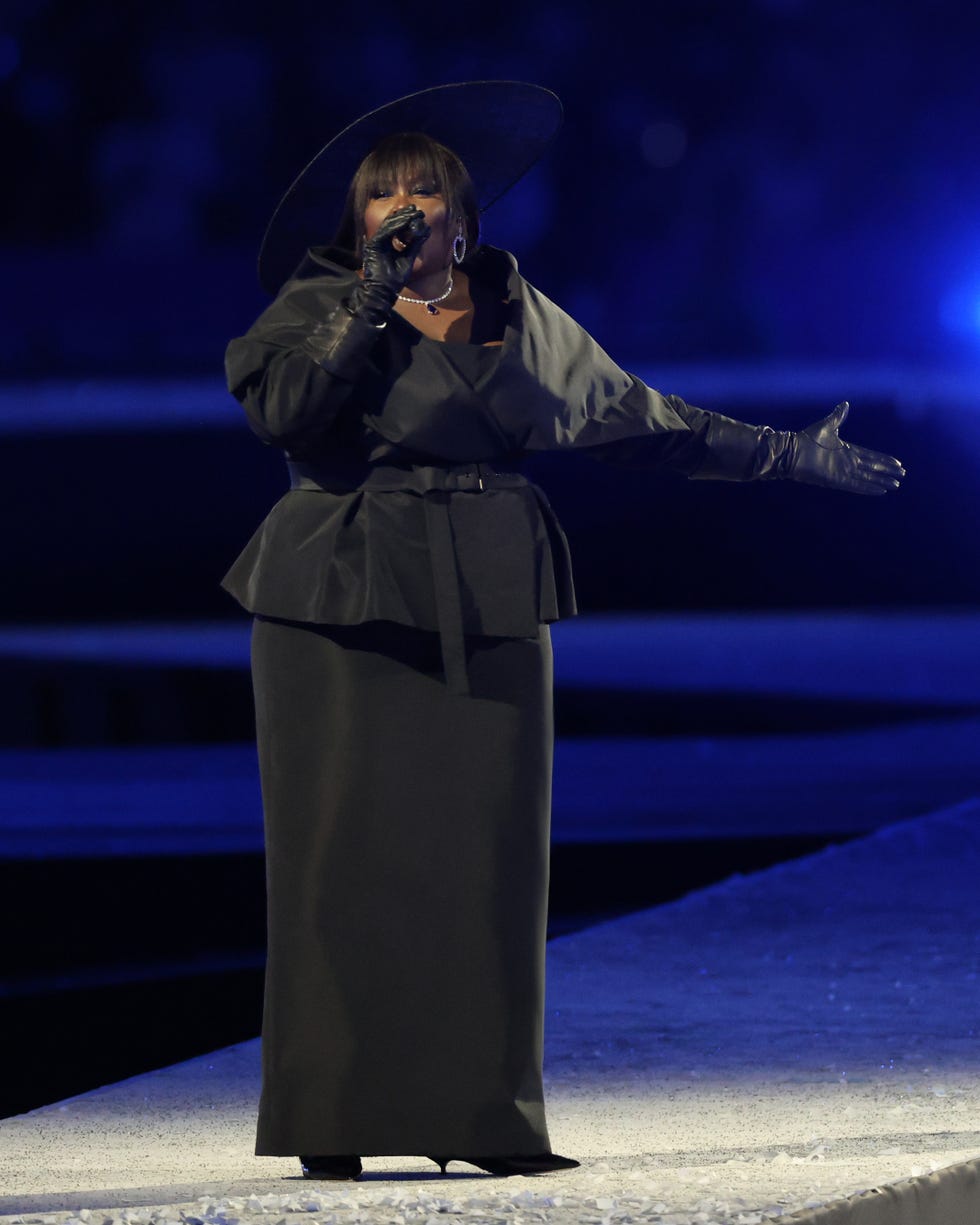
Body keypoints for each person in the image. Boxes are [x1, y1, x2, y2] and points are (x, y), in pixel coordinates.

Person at [222, 82, 904, 1183]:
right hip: (338, 594)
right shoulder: (311, 306)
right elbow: (285, 414)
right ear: (358, 219)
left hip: (487, 585)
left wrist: (786, 455)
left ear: (464, 214)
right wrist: (370, 299)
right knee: (336, 863)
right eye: (382, 194)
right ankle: (329, 1114)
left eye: (425, 191)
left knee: (488, 860)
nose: (404, 207)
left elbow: (641, 418)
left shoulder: (512, 310)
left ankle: (481, 1116)